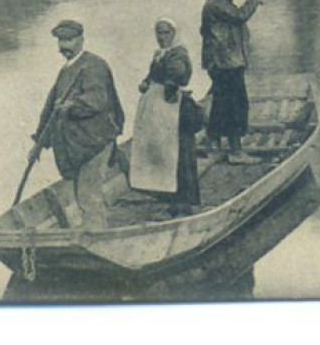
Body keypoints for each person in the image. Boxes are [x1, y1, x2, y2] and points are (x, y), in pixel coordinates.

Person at [29, 19, 124, 229]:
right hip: (76, 145)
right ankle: (91, 231)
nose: (64, 47)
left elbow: (97, 99)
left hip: (95, 142)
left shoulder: (94, 66)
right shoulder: (65, 71)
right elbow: (50, 110)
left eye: (69, 41)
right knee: (82, 195)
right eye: (61, 42)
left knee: (89, 195)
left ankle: (97, 237)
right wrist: (39, 143)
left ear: (81, 40)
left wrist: (72, 106)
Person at [137, 18, 202, 206]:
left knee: (178, 154)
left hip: (174, 110)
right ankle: (170, 197)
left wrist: (169, 86)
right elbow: (153, 75)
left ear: (174, 34)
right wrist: (146, 82)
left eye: (166, 33)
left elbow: (179, 74)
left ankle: (184, 202)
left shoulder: (177, 54)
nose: (161, 37)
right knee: (165, 153)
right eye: (159, 32)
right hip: (160, 112)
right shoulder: (161, 54)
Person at [200, 0, 261, 165]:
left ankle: (213, 144)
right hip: (225, 63)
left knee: (221, 104)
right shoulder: (216, 4)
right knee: (237, 104)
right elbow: (240, 16)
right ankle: (235, 151)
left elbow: (236, 18)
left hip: (224, 62)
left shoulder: (219, 3)